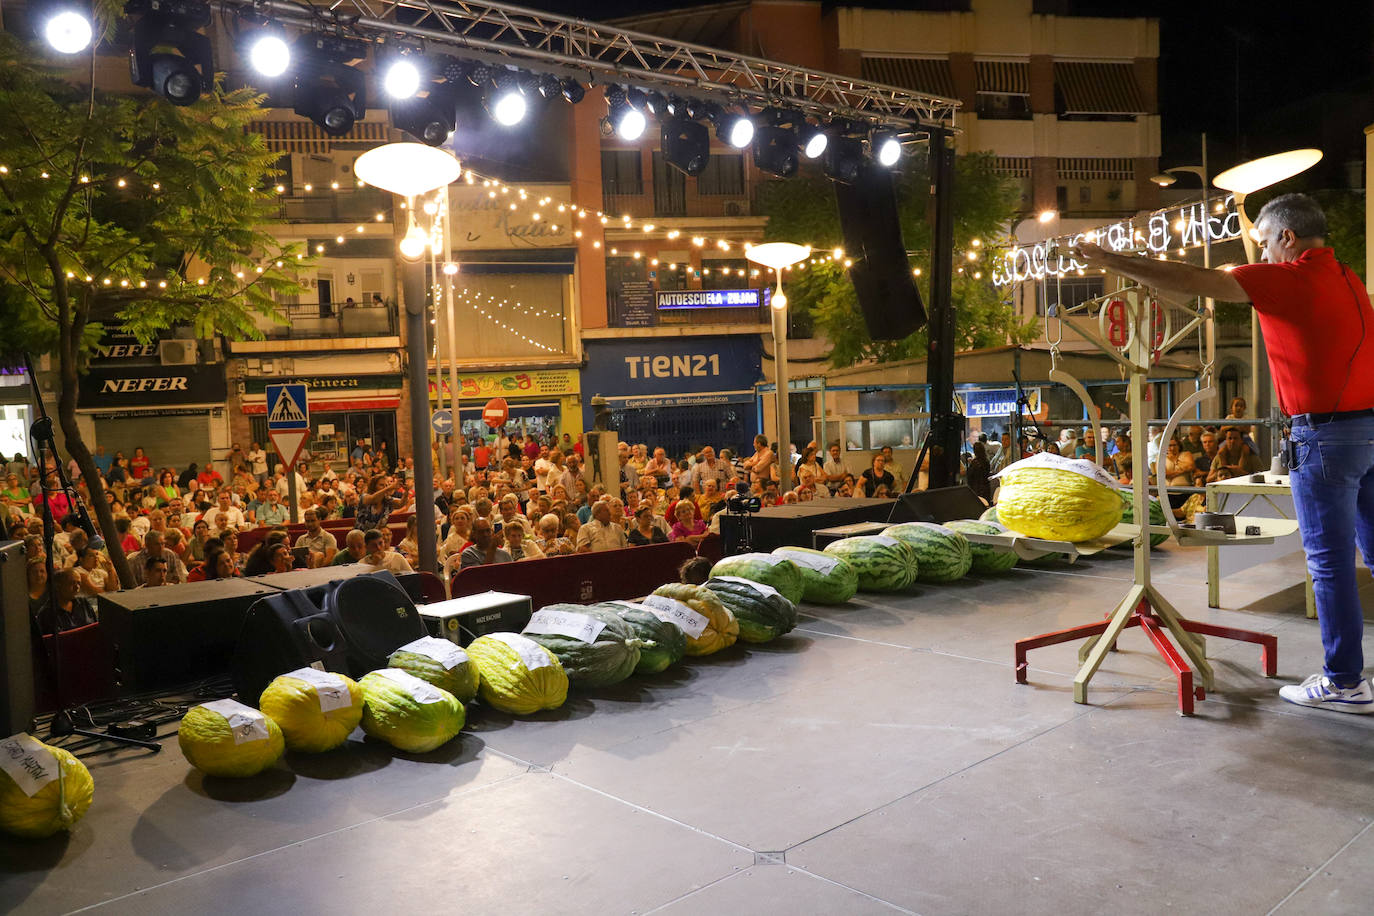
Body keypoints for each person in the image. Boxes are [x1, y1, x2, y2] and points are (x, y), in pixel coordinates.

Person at [1077, 192, 1374, 713]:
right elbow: (1258, 267)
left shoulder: (1288, 278)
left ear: (1288, 239)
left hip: (1325, 438)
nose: (1258, 256)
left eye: (1265, 245)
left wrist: (1110, 261)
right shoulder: (1346, 277)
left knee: (1328, 565)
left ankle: (1345, 681)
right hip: (1368, 430)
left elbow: (1200, 281)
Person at [32, 567, 97, 633]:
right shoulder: (47, 613)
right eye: (72, 583)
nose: (77, 587)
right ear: (58, 586)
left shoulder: (84, 603)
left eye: (79, 583)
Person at [965, 440, 992, 504]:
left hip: (976, 489)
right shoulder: (986, 461)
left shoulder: (974, 463)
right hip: (986, 489)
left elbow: (969, 476)